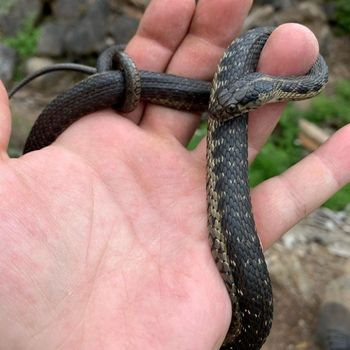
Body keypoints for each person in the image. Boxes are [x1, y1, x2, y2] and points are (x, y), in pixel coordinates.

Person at [0, 0, 349, 349]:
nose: (221, 112)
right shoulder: (249, 81)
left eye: (234, 107)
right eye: (221, 104)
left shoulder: (302, 83)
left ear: (263, 94)